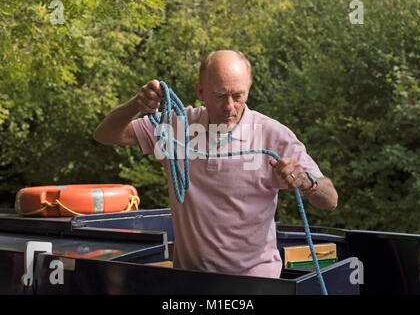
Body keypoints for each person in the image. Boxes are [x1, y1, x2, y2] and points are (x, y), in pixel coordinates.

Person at [93, 50, 338, 278]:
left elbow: (330, 200)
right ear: (201, 92)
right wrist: (136, 104)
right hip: (191, 282)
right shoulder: (177, 125)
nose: (229, 106)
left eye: (238, 95)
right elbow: (105, 135)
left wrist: (307, 182)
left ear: (249, 91)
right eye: (220, 95)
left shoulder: (272, 135)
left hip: (256, 283)